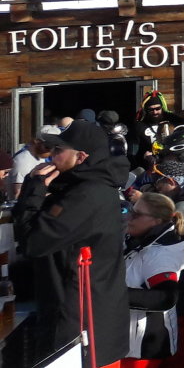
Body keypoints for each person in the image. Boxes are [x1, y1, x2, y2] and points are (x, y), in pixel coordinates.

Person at [13, 120, 129, 361]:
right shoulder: (84, 187)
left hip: (80, 324)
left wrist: (32, 192)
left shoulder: (86, 194)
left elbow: (33, 242)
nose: (51, 156)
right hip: (84, 315)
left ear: (81, 156)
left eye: (58, 150)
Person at [122, 192, 184, 362]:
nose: (130, 217)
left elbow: (165, 297)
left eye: (136, 214)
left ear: (157, 221)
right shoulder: (138, 239)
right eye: (131, 211)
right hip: (129, 338)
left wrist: (110, 294)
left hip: (144, 346)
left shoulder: (160, 253)